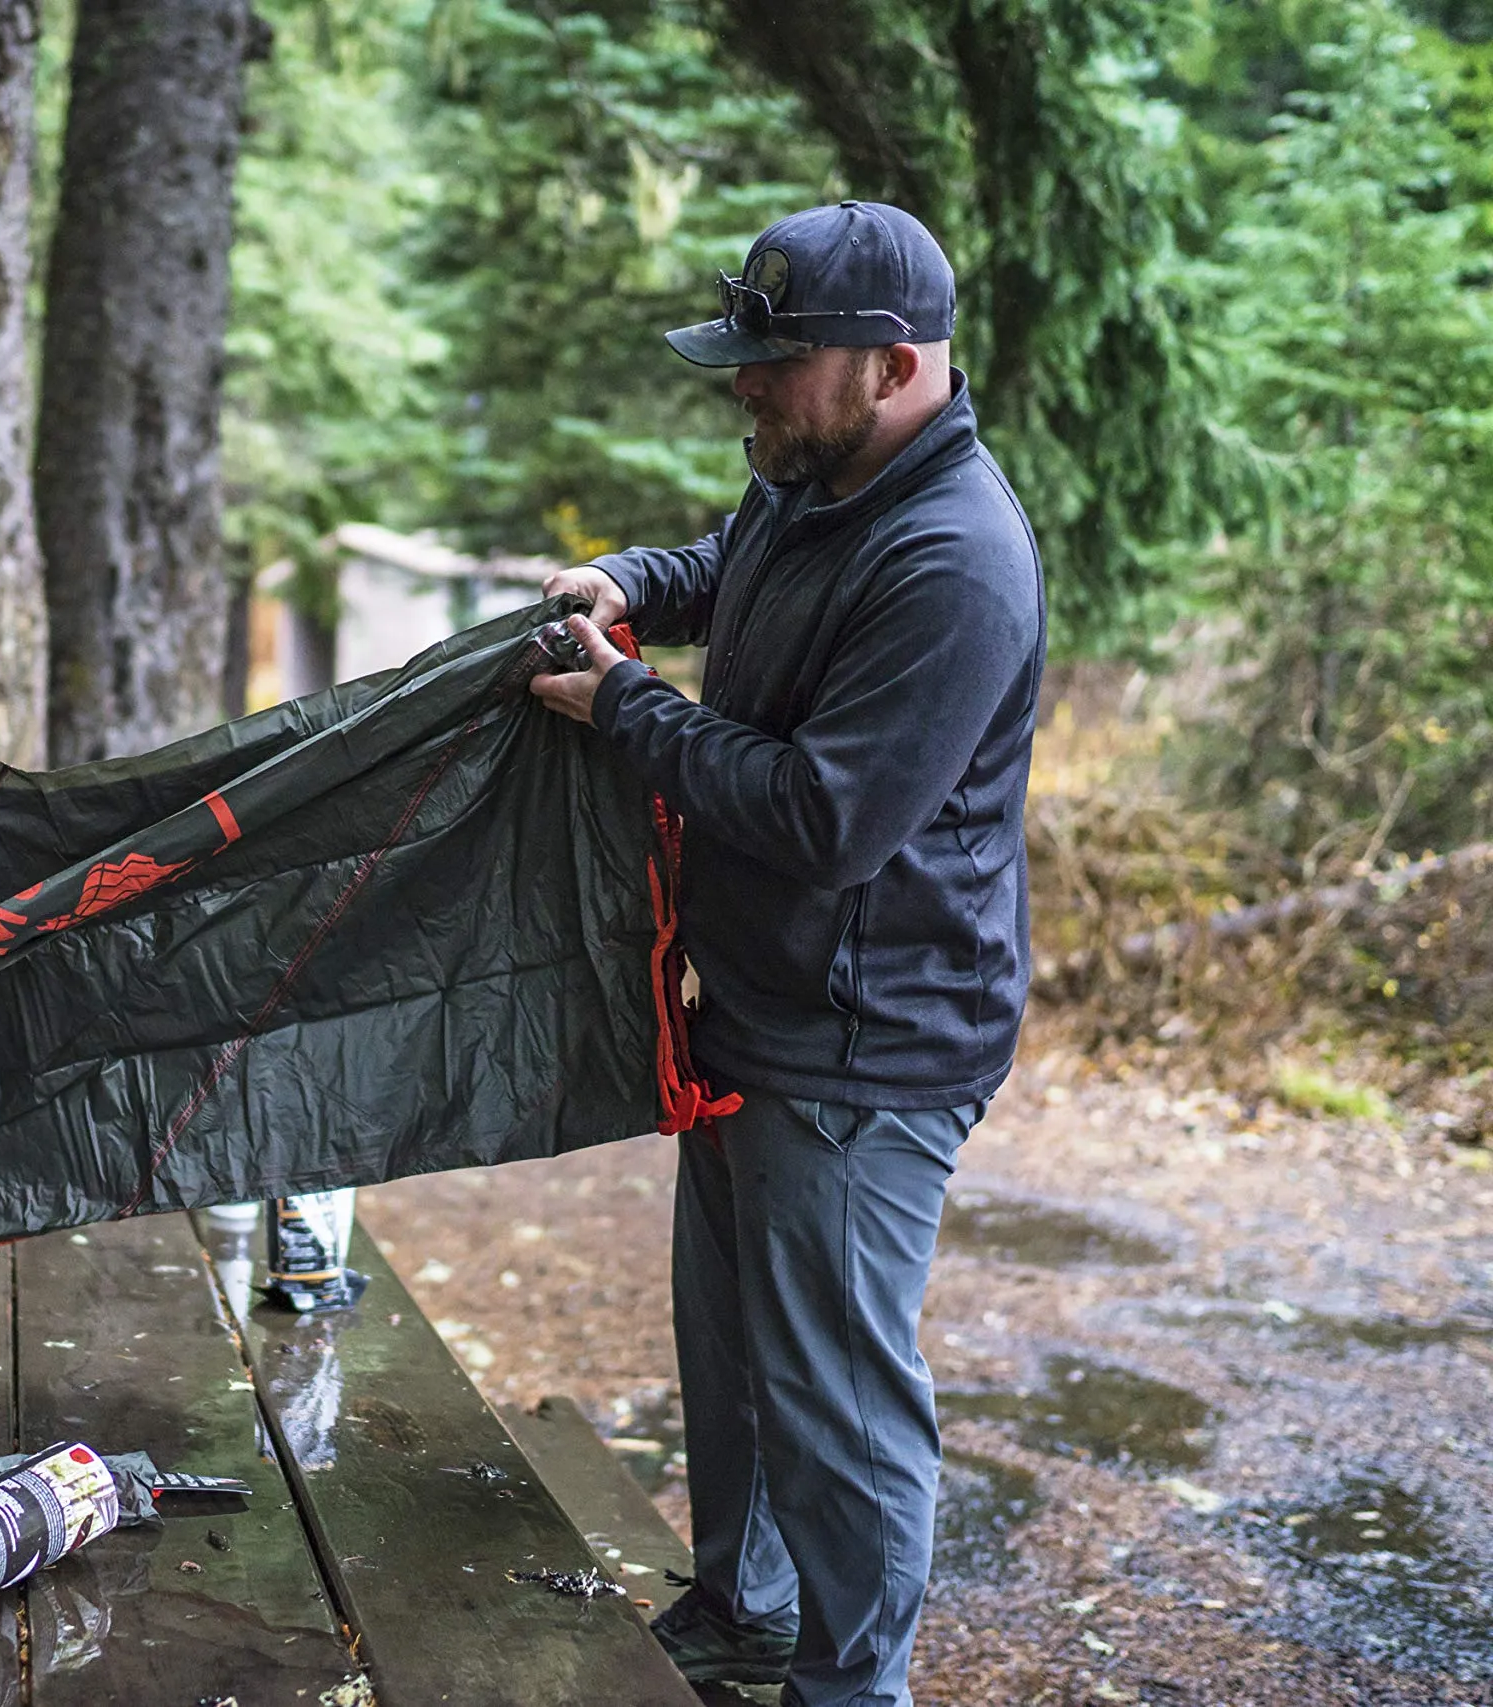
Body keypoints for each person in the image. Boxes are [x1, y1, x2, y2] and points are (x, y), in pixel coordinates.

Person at [530, 203, 1046, 1707]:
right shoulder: (818, 472)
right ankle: (742, 1616)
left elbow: (824, 815)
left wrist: (625, 707)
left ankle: (851, 1686)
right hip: (760, 1013)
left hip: (866, 1048)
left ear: (888, 366)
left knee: (838, 1404)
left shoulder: (955, 560)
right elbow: (729, 560)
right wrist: (630, 582)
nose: (740, 388)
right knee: (739, 1364)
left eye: (773, 363)